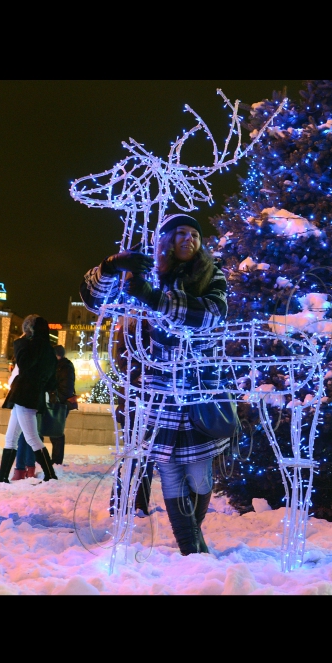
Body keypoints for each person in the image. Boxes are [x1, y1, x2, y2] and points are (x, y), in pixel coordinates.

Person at [80, 212, 228, 555]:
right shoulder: (144, 271)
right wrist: (110, 267)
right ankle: (193, 550)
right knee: (171, 469)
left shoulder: (211, 275)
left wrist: (155, 300)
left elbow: (211, 314)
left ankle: (194, 540)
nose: (188, 238)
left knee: (200, 474)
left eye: (194, 233)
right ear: (165, 241)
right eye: (179, 233)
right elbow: (93, 300)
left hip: (196, 389)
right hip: (155, 389)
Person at [0, 316, 58, 483]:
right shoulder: (49, 350)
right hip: (29, 395)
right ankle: (2, 477)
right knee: (11, 438)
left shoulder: (33, 346)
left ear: (30, 330)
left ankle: (51, 475)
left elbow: (24, 363)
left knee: (31, 437)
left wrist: (19, 343)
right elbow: (52, 381)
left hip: (25, 395)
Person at [49, 345, 78, 465]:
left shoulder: (64, 367)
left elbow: (66, 388)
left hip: (60, 403)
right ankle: (55, 460)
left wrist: (55, 398)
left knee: (56, 432)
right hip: (57, 402)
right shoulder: (61, 365)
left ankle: (56, 461)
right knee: (54, 431)